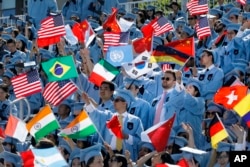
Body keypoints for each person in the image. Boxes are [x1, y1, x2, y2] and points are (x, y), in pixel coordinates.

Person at [82, 89, 144, 161]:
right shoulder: (108, 116)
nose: (114, 102)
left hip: (126, 156)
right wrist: (87, 102)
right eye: (114, 99)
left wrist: (127, 136)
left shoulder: (135, 120)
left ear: (125, 103)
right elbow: (96, 114)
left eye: (117, 100)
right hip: (108, 154)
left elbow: (140, 141)